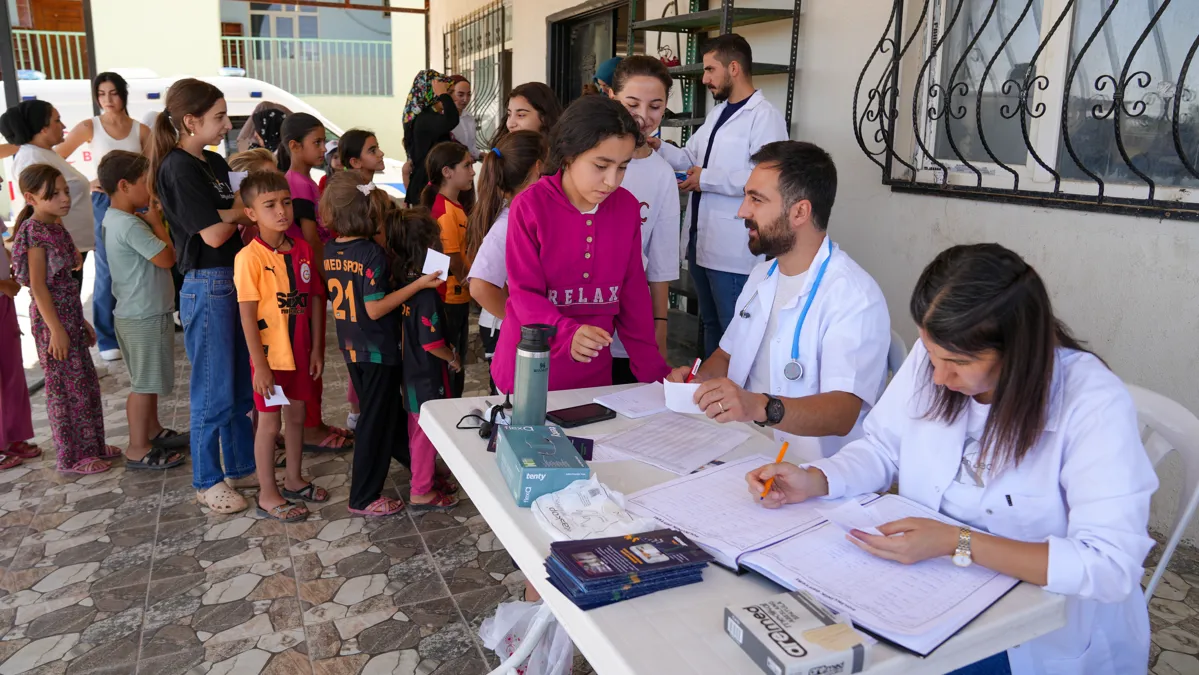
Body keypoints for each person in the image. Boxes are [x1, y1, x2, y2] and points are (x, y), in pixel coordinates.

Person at [746, 243, 1158, 675]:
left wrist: (957, 542)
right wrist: (816, 479)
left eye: (958, 363)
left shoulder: (1093, 404)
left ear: (1017, 350)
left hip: (1034, 633)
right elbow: (882, 447)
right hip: (928, 591)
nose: (940, 377)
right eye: (931, 354)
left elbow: (1110, 566)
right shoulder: (936, 359)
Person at [666, 141, 890, 460]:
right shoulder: (763, 275)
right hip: (741, 447)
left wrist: (760, 406)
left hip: (811, 470)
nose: (742, 211)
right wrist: (700, 381)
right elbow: (726, 356)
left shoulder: (854, 296)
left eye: (756, 200)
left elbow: (843, 413)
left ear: (799, 211)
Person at [492, 95, 671, 394]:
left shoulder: (626, 208)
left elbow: (633, 297)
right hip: (527, 376)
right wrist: (566, 333)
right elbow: (525, 295)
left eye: (622, 167)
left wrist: (657, 376)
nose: (612, 181)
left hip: (592, 379)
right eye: (601, 165)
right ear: (568, 155)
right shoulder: (531, 206)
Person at [150, 78, 256, 514]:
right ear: (190, 121)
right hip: (208, 284)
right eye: (219, 117)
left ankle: (241, 465)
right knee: (213, 391)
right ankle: (207, 479)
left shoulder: (212, 162)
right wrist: (239, 213)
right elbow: (213, 234)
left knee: (240, 387)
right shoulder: (177, 167)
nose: (228, 124)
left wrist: (233, 212)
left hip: (234, 279)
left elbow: (235, 212)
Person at [655, 33, 789, 357]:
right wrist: (657, 147)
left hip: (733, 249)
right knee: (711, 325)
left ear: (734, 68)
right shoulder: (718, 114)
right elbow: (690, 158)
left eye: (710, 69)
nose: (705, 79)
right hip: (702, 242)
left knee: (734, 331)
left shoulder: (764, 116)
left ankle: (733, 387)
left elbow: (767, 178)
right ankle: (711, 385)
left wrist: (706, 179)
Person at [319, 173, 442, 517]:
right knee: (374, 421)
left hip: (351, 347)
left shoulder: (331, 248)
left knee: (386, 414)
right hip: (377, 350)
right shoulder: (371, 252)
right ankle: (363, 496)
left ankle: (420, 469)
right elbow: (374, 309)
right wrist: (418, 285)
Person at [235, 171, 330, 522]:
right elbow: (247, 316)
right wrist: (260, 366)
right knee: (270, 425)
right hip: (271, 361)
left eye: (286, 202)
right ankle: (267, 493)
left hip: (300, 356)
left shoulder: (302, 249)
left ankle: (293, 479)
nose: (281, 211)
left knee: (297, 417)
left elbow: (316, 299)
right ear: (251, 213)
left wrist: (317, 349)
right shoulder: (249, 258)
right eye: (270, 205)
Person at [10, 164, 118, 474]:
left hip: (69, 315)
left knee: (84, 384)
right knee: (65, 388)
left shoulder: (56, 227)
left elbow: (66, 285)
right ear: (31, 198)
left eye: (66, 192)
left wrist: (80, 322)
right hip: (52, 321)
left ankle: (93, 445)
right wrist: (56, 330)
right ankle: (72, 457)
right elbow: (38, 286)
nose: (64, 198)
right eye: (53, 194)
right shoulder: (33, 232)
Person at [98, 151, 187, 469]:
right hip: (143, 315)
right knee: (144, 385)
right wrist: (157, 222)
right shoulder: (130, 224)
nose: (151, 190)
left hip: (137, 313)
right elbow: (167, 258)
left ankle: (152, 431)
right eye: (145, 183)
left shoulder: (116, 218)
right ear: (124, 185)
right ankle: (137, 447)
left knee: (147, 380)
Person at [55, 72, 152, 363]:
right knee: (107, 267)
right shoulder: (90, 126)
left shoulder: (141, 130)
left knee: (141, 264)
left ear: (123, 94)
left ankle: (139, 328)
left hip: (138, 202)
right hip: (103, 202)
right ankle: (107, 336)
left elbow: (153, 167)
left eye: (113, 93)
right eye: (101, 94)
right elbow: (55, 158)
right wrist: (86, 182)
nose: (107, 99)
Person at [608, 55, 681, 381]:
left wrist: (659, 327)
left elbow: (660, 261)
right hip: (577, 323)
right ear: (612, 97)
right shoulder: (585, 161)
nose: (642, 116)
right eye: (632, 103)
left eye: (655, 106)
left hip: (631, 327)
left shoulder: (662, 174)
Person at [384, 208, 462, 510]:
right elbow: (432, 344)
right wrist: (453, 357)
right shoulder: (426, 295)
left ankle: (425, 477)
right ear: (429, 247)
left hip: (412, 373)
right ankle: (421, 490)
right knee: (425, 433)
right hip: (426, 376)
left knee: (418, 430)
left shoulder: (405, 283)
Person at [465, 131, 547, 394]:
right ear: (538, 169)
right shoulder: (509, 220)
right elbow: (480, 286)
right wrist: (520, 323)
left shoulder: (519, 213)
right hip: (504, 329)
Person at [0, 101, 95, 288]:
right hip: (59, 250)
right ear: (42, 128)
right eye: (57, 121)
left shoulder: (45, 153)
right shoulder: (32, 157)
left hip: (69, 246)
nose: (64, 126)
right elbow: (46, 206)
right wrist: (66, 245)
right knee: (59, 300)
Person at [422, 142, 475, 397]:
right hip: (449, 298)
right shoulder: (444, 210)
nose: (472, 171)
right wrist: (473, 285)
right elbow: (452, 258)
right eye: (466, 165)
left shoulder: (454, 206)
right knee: (452, 365)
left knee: (457, 364)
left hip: (457, 297)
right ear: (447, 172)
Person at [0, 216, 38, 468]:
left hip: (4, 300)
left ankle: (11, 436)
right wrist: (3, 283)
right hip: (3, 290)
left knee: (11, 372)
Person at [402, 69, 458, 206]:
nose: (452, 98)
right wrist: (443, 95)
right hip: (425, 189)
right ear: (432, 94)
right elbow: (452, 120)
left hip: (429, 186)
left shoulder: (430, 117)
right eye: (449, 93)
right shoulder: (425, 118)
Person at [491, 82, 563, 146]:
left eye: (521, 115)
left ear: (544, 117)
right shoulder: (504, 153)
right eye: (509, 114)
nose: (510, 124)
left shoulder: (564, 153)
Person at [448, 75, 480, 160]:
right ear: (449, 94)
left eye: (469, 94)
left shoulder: (469, 118)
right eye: (460, 95)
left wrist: (481, 155)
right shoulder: (442, 119)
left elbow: (471, 148)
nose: (465, 99)